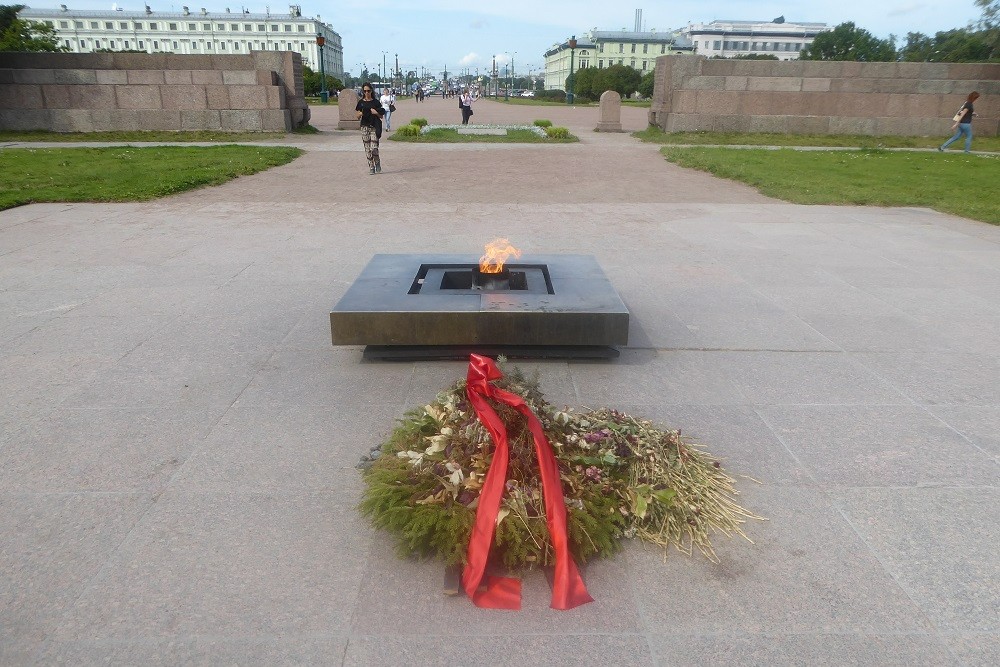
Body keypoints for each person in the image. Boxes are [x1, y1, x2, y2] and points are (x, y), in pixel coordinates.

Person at [355, 82, 385, 174]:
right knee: (367, 149)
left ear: (371, 91)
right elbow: (357, 116)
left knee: (374, 148)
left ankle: (377, 162)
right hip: (364, 127)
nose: (367, 93)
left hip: (374, 127)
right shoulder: (361, 103)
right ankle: (371, 167)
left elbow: (381, 116)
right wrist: (360, 114)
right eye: (365, 91)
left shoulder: (375, 102)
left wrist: (375, 112)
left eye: (368, 91)